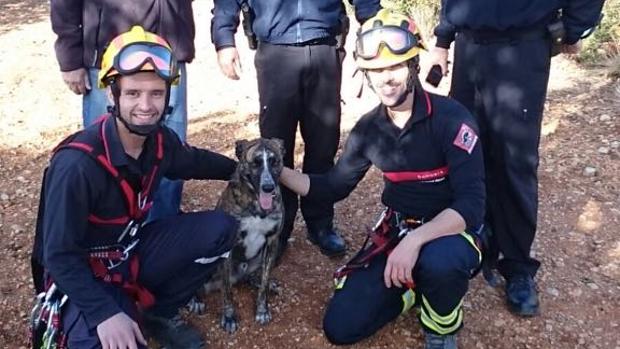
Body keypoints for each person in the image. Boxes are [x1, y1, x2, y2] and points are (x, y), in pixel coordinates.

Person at [279, 10, 484, 349]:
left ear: (413, 66)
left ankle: (441, 328)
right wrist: (278, 172)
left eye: (394, 67)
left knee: (441, 262)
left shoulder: (451, 119)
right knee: (340, 328)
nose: (385, 79)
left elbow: (471, 206)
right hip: (400, 230)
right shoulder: (369, 129)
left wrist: (415, 241)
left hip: (451, 232)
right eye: (375, 71)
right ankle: (412, 290)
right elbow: (333, 187)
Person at [31, 27, 238, 349]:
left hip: (129, 253)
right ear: (111, 95)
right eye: (132, 93)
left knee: (221, 228)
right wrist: (104, 313)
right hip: (85, 274)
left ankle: (159, 313)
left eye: (156, 93)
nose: (146, 105)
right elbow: (58, 255)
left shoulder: (158, 142)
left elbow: (198, 162)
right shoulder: (78, 165)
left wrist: (251, 169)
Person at [429, 0, 605, 316]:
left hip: (522, 49)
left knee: (514, 162)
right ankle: (475, 243)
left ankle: (517, 265)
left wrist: (575, 27)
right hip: (468, 48)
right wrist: (443, 40)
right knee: (466, 153)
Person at [211, 0, 381, 257]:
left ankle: (320, 223)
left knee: (323, 143)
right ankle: (279, 228)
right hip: (275, 50)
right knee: (276, 149)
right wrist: (224, 38)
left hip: (325, 46)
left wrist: (372, 24)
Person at [50, 0, 198, 221]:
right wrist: (70, 57)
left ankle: (164, 229)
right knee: (106, 156)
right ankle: (109, 238)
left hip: (168, 53)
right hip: (108, 54)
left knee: (169, 151)